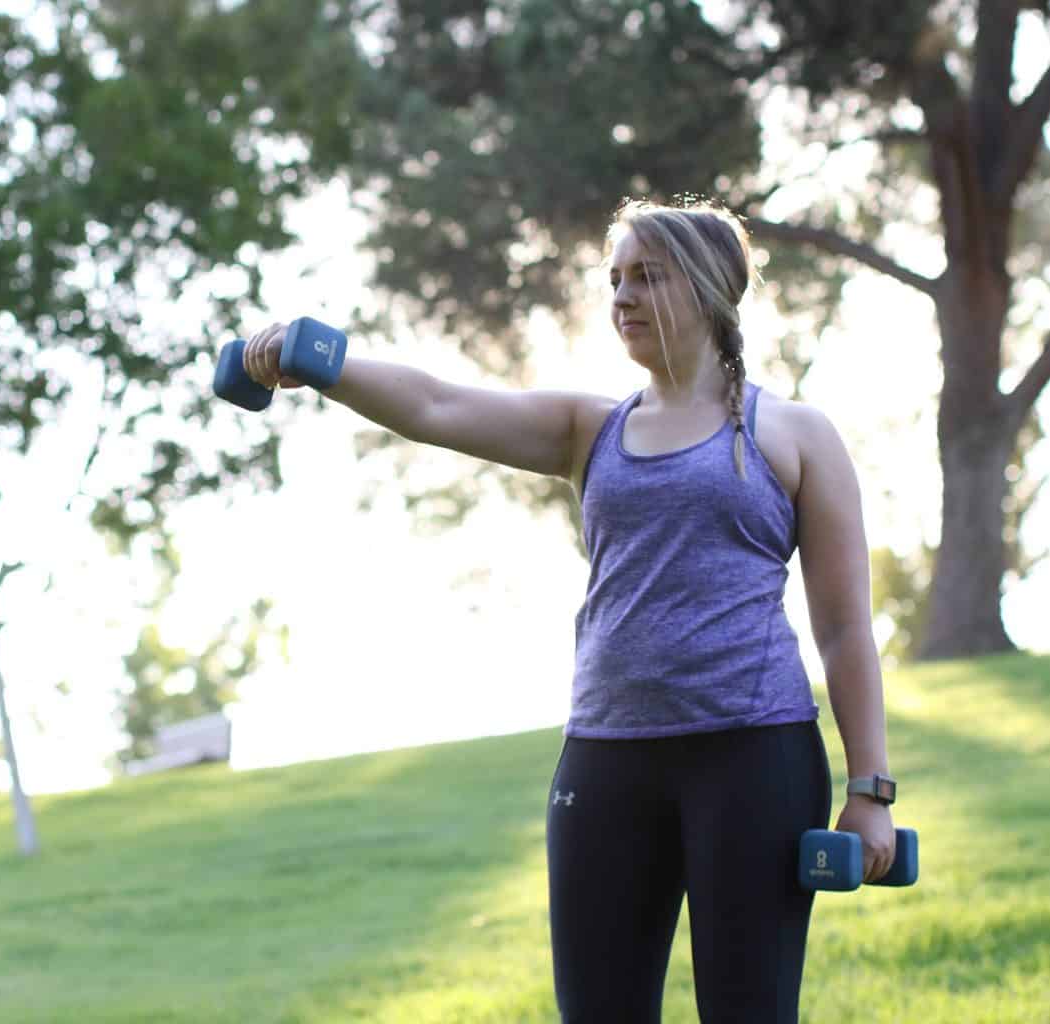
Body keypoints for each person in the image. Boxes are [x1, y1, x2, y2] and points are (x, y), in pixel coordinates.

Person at [238, 197, 897, 1023]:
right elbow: (438, 406)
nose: (620, 297)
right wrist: (324, 368)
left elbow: (842, 629)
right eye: (612, 279)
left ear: (705, 288)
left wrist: (869, 787)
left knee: (749, 1010)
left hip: (751, 754)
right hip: (607, 757)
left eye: (644, 277)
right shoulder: (589, 428)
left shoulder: (795, 434)